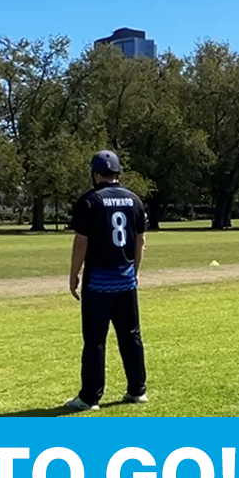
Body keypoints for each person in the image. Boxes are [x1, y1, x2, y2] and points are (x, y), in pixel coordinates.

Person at [64, 150, 148, 411]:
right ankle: (137, 390)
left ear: (95, 173)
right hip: (126, 281)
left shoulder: (89, 201)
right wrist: (135, 271)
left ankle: (90, 397)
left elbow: (81, 243)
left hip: (98, 283)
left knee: (95, 341)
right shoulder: (134, 200)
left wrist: (73, 273)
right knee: (131, 336)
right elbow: (141, 240)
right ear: (117, 173)